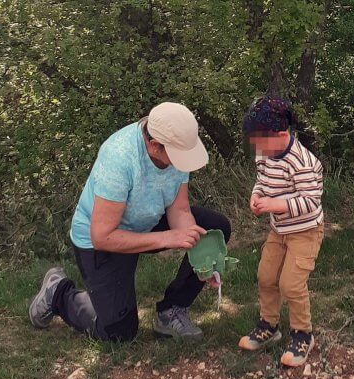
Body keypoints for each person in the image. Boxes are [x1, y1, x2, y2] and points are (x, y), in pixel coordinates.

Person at [28, 102, 231, 341]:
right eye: (178, 156)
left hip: (146, 219)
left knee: (214, 228)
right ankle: (59, 293)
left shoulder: (175, 146)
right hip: (102, 237)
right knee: (117, 332)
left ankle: (171, 311)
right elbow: (102, 236)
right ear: (154, 146)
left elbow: (180, 209)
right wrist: (168, 238)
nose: (183, 162)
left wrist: (201, 257)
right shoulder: (119, 156)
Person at [238, 97, 324, 367]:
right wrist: (257, 195)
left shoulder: (303, 162)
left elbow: (311, 201)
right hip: (279, 231)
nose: (257, 147)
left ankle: (302, 334)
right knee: (266, 276)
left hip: (305, 231)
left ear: (281, 134)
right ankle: (269, 325)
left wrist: (276, 204)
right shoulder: (265, 153)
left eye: (260, 140)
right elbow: (261, 181)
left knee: (291, 284)